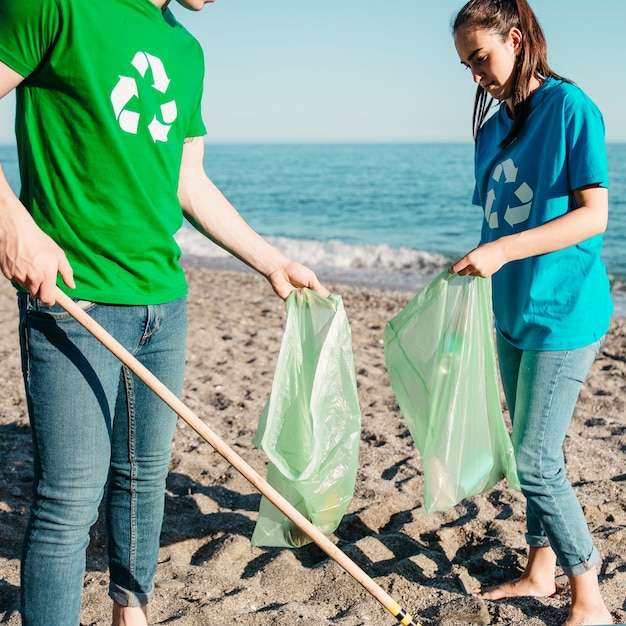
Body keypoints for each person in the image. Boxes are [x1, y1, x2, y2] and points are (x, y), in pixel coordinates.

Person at [0, 0, 330, 624]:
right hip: (77, 298)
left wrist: (269, 261)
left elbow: (189, 181)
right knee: (68, 503)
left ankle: (133, 612)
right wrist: (12, 223)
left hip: (163, 302)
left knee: (143, 479)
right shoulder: (55, 6)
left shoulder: (186, 50)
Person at [449, 1, 613, 625]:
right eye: (466, 65)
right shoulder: (492, 129)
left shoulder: (571, 108)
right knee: (535, 451)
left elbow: (593, 214)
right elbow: (497, 217)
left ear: (516, 40)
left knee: (535, 460)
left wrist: (501, 250)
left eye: (482, 58)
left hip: (564, 312)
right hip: (510, 311)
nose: (475, 76)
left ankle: (589, 597)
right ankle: (539, 570)